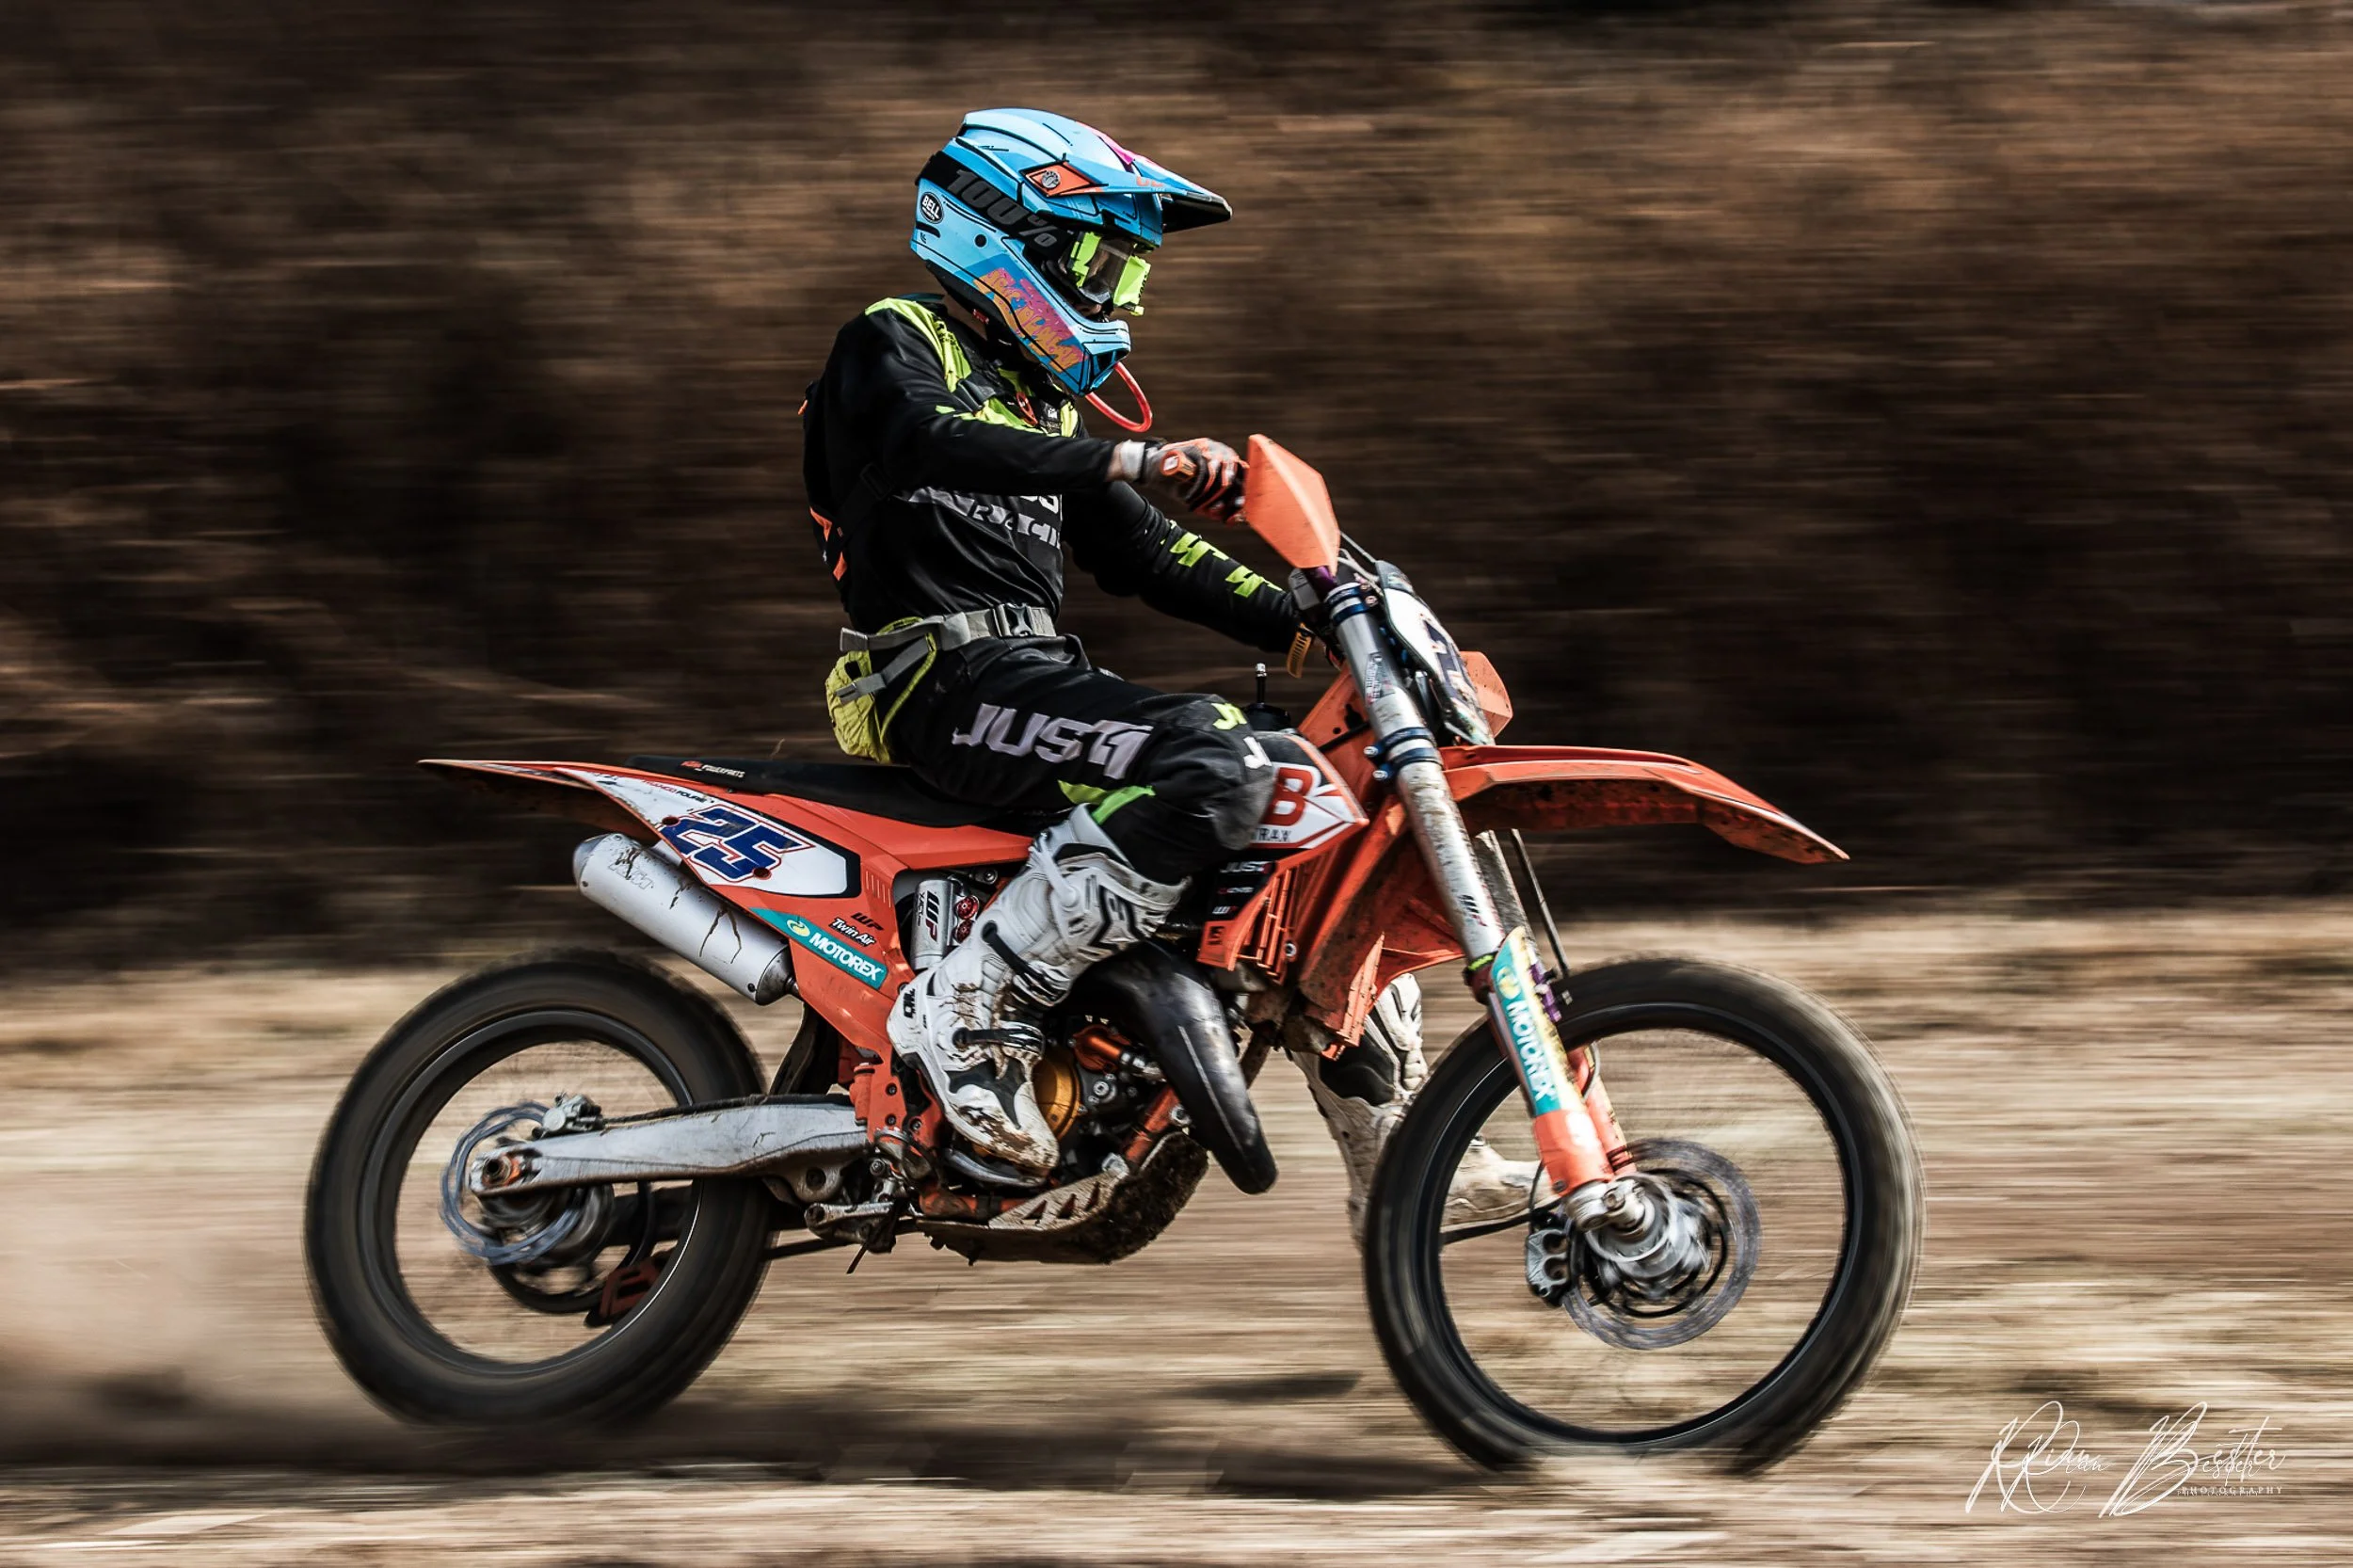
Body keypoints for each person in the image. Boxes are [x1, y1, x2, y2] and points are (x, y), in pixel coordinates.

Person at [801, 109, 1526, 1227]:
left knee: (1314, 814)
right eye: (1100, 262)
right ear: (1003, 236)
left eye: (1127, 272)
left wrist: (1312, 612)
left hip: (1028, 674)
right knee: (1216, 762)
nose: (1121, 297)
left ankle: (1403, 1153)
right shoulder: (895, 342)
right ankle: (972, 1004)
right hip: (932, 680)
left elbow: (1145, 551)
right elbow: (920, 439)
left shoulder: (1039, 405)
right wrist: (1128, 452)